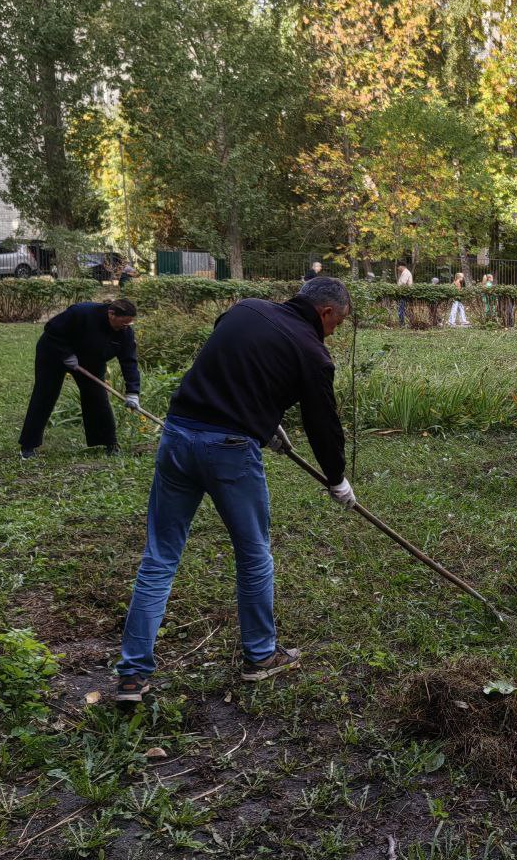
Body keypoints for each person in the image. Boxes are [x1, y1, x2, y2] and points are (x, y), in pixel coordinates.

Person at [115, 278, 354, 701]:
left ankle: (132, 675)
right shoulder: (312, 352)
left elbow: (235, 360)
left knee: (159, 557)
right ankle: (261, 657)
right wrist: (336, 478)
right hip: (228, 452)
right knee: (253, 555)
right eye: (339, 323)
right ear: (325, 312)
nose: (335, 332)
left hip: (178, 435)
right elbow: (323, 424)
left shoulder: (246, 308)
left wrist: (264, 421)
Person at [18, 299, 141, 459]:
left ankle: (108, 443)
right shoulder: (82, 312)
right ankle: (28, 446)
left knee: (97, 397)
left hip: (90, 360)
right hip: (54, 353)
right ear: (111, 314)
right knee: (45, 395)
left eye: (129, 324)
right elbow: (51, 329)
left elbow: (129, 362)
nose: (126, 326)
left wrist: (133, 392)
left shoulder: (124, 333)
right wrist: (66, 354)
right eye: (124, 322)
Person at [396, 262, 413, 326]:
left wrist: (397, 289)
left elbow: (403, 283)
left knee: (401, 309)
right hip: (405, 293)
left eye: (398, 267)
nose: (398, 269)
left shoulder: (405, 273)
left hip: (404, 294)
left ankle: (402, 324)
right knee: (404, 309)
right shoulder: (405, 272)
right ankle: (406, 323)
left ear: (401, 266)